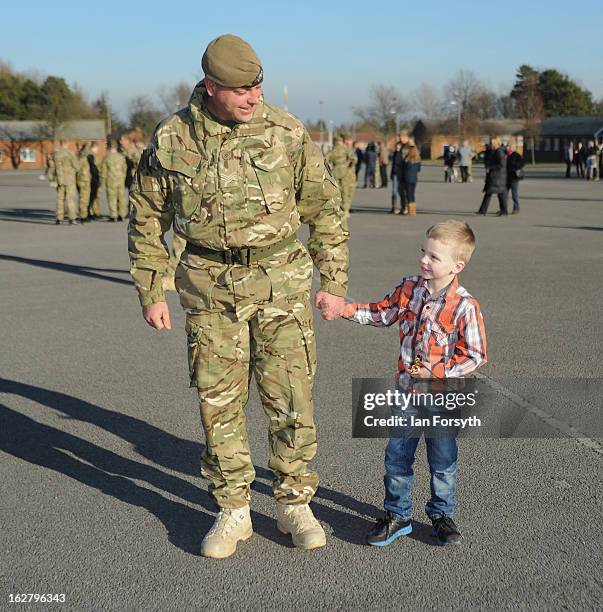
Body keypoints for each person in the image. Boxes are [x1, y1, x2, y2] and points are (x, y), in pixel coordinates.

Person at [128, 34, 348, 559]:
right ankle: (234, 510)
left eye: (258, 85)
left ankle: (294, 502)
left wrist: (333, 282)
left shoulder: (287, 132)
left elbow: (325, 208)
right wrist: (151, 289)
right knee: (218, 403)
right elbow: (146, 219)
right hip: (209, 288)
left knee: (291, 399)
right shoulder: (172, 138)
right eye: (241, 89)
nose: (253, 97)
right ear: (210, 86)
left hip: (281, 285)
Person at [341, 220, 487, 546]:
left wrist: (437, 369)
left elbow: (475, 355)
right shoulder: (410, 289)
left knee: (443, 459)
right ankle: (398, 514)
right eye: (424, 252)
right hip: (406, 393)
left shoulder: (465, 306)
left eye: (434, 257)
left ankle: (441, 515)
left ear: (456, 266)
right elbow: (381, 313)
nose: (424, 260)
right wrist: (344, 309)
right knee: (397, 454)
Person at [327, 133, 356, 235]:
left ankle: (338, 208)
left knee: (336, 190)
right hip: (345, 171)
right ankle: (346, 210)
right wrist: (349, 166)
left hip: (335, 171)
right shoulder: (346, 149)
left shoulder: (333, 150)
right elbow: (353, 159)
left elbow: (326, 159)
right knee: (346, 191)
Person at [47, 140, 80, 225]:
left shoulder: (56, 154)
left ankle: (59, 219)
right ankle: (72, 219)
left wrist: (51, 179)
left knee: (60, 199)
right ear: (67, 143)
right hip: (70, 180)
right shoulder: (71, 153)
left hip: (59, 180)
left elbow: (52, 168)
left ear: (60, 143)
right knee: (70, 199)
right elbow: (77, 166)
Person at [476, 137, 508, 216]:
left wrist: (490, 167)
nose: (491, 145)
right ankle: (503, 210)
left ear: (495, 144)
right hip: (496, 176)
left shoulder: (499, 152)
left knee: (491, 193)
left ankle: (483, 211)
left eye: (492, 143)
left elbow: (502, 164)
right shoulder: (495, 151)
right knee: (497, 193)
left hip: (497, 176)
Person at [101, 141, 127, 221]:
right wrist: (123, 177)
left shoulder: (107, 158)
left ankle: (113, 215)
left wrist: (102, 181)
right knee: (121, 197)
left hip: (111, 180)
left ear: (109, 148)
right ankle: (122, 215)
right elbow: (124, 169)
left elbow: (103, 171)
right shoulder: (121, 157)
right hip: (120, 179)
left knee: (112, 198)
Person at [400, 139, 421, 216]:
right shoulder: (417, 159)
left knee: (409, 195)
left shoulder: (407, 159)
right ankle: (413, 210)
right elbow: (419, 169)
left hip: (407, 179)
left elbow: (404, 169)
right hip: (414, 179)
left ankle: (410, 211)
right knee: (412, 194)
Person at [393, 131, 412, 213]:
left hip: (405, 173)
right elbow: (395, 161)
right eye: (400, 137)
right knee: (399, 191)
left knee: (405, 191)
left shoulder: (409, 147)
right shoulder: (399, 146)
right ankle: (402, 207)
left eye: (402, 137)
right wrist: (397, 151)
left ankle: (407, 208)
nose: (401, 138)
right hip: (397, 172)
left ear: (407, 137)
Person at [506, 144, 525, 214]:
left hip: (514, 178)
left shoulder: (516, 155)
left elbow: (522, 164)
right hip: (506, 178)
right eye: (508, 148)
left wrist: (514, 167)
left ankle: (516, 208)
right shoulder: (505, 155)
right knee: (504, 194)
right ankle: (504, 208)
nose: (509, 149)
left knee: (514, 194)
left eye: (510, 148)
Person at [76, 142, 92, 222]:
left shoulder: (81, 155)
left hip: (85, 179)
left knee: (85, 198)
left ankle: (84, 214)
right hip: (83, 180)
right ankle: (83, 216)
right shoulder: (81, 157)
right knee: (83, 198)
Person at [87, 143, 101, 219]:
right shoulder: (92, 156)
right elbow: (95, 168)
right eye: (97, 148)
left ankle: (94, 212)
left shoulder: (92, 155)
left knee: (94, 196)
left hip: (93, 178)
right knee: (92, 196)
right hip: (93, 178)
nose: (97, 149)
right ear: (94, 147)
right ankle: (92, 212)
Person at [389, 142, 402, 214]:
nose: (397, 148)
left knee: (401, 192)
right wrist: (391, 174)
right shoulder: (394, 154)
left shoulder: (402, 154)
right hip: (394, 174)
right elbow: (393, 165)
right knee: (394, 192)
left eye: (398, 147)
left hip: (400, 175)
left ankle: (402, 207)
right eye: (396, 147)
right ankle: (393, 207)